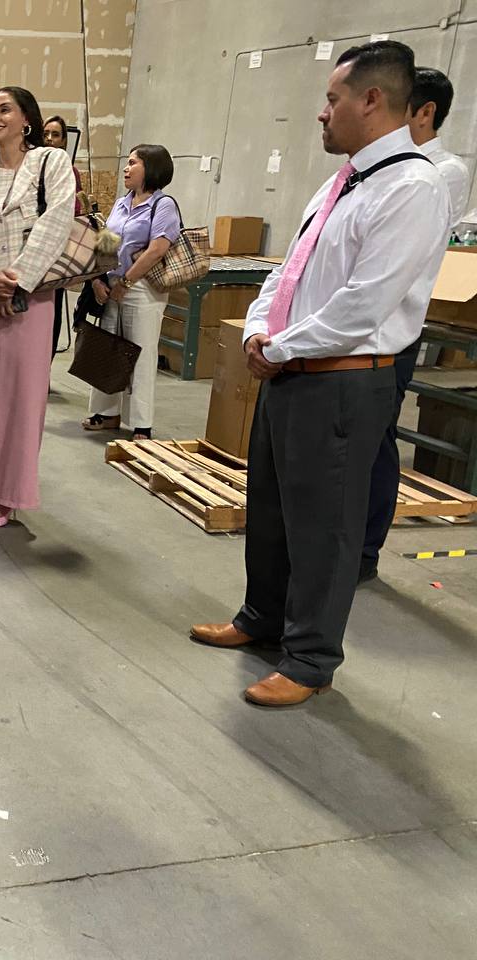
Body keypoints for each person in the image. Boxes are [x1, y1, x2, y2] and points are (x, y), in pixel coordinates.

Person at [190, 40, 448, 707]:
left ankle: (309, 659)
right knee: (273, 509)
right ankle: (262, 620)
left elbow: (364, 304)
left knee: (326, 524)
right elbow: (289, 272)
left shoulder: (413, 189)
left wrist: (277, 348)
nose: (321, 114)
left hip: (342, 379)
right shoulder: (342, 182)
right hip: (292, 370)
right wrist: (256, 328)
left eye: (332, 100)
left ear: (371, 100)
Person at [361, 65, 470, 582]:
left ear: (424, 112)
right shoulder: (379, 167)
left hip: (390, 328)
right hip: (360, 329)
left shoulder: (435, 172)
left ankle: (364, 549)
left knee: (378, 437)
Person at [0, 86, 76, 527]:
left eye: (5, 109)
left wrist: (17, 282)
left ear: (28, 120)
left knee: (19, 400)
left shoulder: (50, 162)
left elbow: (56, 221)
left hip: (31, 297)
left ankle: (9, 495)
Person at [79, 144, 181, 440]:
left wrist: (126, 282)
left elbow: (157, 248)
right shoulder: (123, 202)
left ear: (151, 168)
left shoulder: (163, 206)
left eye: (133, 163)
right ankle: (107, 413)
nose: (126, 168)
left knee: (141, 353)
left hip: (141, 290)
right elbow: (106, 242)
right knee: (107, 349)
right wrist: (98, 279)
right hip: (111, 288)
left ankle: (141, 423)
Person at [42, 114, 85, 359]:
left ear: (63, 141)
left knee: (53, 311)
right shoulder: (29, 166)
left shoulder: (71, 172)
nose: (49, 139)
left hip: (55, 254)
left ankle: (44, 369)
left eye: (55, 134)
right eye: (46, 133)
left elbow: (76, 211)